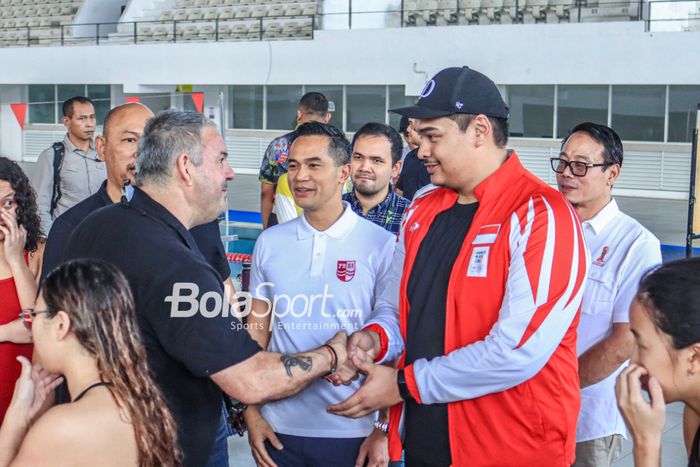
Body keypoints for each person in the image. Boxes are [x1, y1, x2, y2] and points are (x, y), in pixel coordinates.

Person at [328, 66, 588, 467]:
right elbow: (397, 306)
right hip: (427, 442)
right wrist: (376, 339)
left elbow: (516, 351)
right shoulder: (423, 208)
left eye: (432, 136)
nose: (420, 150)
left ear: (480, 130)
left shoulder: (541, 215)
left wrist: (403, 383)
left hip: (512, 450)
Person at [62, 110, 349, 467]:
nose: (230, 172)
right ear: (185, 167)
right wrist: (333, 355)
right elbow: (251, 379)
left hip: (88, 445)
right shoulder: (178, 266)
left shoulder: (93, 226)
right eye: (222, 159)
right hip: (159, 450)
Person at [245, 121, 402, 467]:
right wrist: (251, 411)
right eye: (293, 165)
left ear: (343, 172)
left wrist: (382, 428)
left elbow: (393, 337)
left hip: (353, 429)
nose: (300, 176)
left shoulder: (381, 245)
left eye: (314, 165)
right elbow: (257, 332)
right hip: (278, 428)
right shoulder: (269, 243)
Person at [0, 258, 182, 466]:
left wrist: (16, 417)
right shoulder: (142, 403)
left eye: (35, 315)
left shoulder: (63, 428)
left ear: (61, 325)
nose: (32, 327)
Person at [553, 122, 662, 467]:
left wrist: (557, 389)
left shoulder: (636, 245)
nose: (567, 174)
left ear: (612, 173)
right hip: (527, 411)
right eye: (563, 162)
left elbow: (625, 340)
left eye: (581, 166)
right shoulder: (547, 228)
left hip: (588, 420)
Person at [41, 103, 232, 289]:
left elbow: (224, 291)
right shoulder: (73, 226)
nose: (143, 152)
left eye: (151, 142)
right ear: (101, 148)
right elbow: (50, 312)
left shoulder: (196, 218)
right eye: (130, 140)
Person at [616, 257, 700, 467]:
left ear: (694, 357)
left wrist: (646, 443)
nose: (631, 363)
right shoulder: (694, 412)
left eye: (642, 346)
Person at [0, 157, 44, 424]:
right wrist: (8, 331)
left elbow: (38, 329)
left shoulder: (37, 253)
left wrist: (17, 261)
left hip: (27, 390)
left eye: (8, 203)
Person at [34, 96, 105, 234]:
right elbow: (40, 205)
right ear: (66, 121)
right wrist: (51, 239)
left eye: (92, 117)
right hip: (67, 234)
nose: (90, 124)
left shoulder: (104, 152)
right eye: (82, 118)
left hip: (101, 233)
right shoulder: (52, 156)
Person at [260, 92, 331, 228]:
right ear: (327, 117)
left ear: (299, 114)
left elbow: (266, 192)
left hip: (282, 216)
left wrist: (266, 228)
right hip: (324, 219)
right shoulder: (335, 147)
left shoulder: (278, 145)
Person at [343, 122, 410, 235]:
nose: (365, 168)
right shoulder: (332, 211)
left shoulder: (410, 216)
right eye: (358, 157)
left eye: (377, 161)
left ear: (395, 168)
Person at [395, 116, 429, 200]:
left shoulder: (442, 159)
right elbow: (400, 191)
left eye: (411, 125)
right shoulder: (410, 156)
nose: (407, 130)